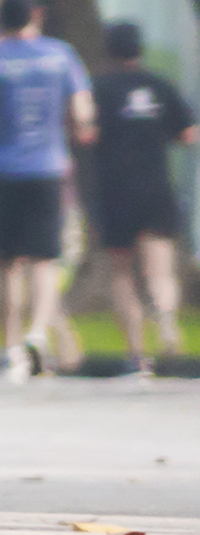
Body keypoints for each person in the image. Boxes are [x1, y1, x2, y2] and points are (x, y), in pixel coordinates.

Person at [0, 0, 93, 380]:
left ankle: (11, 348)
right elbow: (83, 112)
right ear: (37, 13)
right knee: (45, 260)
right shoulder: (62, 55)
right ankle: (38, 334)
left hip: (4, 170)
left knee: (7, 263)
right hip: (50, 169)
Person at [86, 22, 191, 372]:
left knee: (122, 272)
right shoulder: (161, 85)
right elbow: (188, 133)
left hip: (116, 190)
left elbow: (86, 132)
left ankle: (137, 352)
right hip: (156, 187)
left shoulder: (100, 88)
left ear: (109, 50)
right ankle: (167, 324)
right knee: (160, 268)